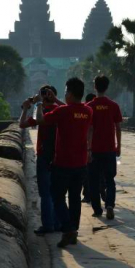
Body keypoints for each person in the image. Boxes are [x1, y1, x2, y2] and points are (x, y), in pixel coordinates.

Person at [33, 77, 93, 248]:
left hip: (63, 162)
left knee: (56, 196)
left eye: (66, 91)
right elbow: (70, 109)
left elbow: (40, 120)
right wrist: (56, 100)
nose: (64, 93)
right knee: (74, 198)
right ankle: (73, 229)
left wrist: (38, 104)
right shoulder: (88, 111)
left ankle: (68, 229)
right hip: (80, 163)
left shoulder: (62, 112)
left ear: (71, 93)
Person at [20, 85, 62, 235]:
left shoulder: (46, 112)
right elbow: (22, 125)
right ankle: (58, 223)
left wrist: (34, 105)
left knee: (45, 193)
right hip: (59, 156)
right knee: (57, 192)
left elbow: (26, 123)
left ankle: (48, 224)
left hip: (45, 155)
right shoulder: (61, 111)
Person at [87, 75, 123, 220]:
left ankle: (97, 209)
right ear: (107, 87)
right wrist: (118, 145)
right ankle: (109, 204)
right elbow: (118, 127)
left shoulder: (90, 106)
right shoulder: (113, 106)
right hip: (109, 148)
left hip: (95, 149)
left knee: (93, 181)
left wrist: (88, 149)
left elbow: (89, 129)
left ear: (95, 86)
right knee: (110, 179)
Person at [81, 93, 97, 204]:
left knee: (86, 173)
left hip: (87, 147)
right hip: (101, 147)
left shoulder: (85, 111)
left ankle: (87, 195)